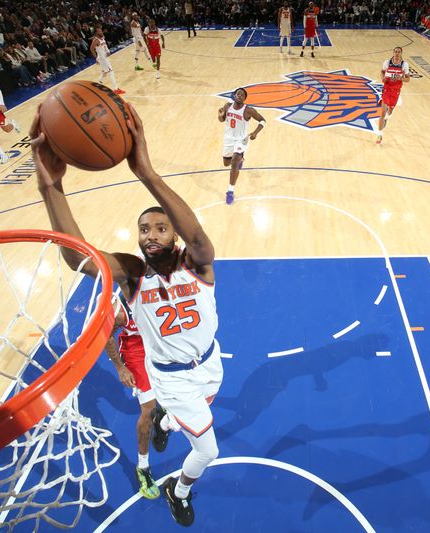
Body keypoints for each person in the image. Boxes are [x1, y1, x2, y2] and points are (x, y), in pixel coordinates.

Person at [32, 103, 222, 527]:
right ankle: (180, 488)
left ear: (174, 234)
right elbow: (79, 260)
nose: (150, 235)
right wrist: (51, 187)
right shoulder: (133, 275)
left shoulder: (199, 263)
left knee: (194, 412)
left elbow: (197, 236)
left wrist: (147, 172)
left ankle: (166, 419)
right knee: (208, 451)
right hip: (170, 377)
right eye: (143, 230)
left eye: (160, 228)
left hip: (210, 363)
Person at [103, 295, 161, 500]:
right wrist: (120, 368)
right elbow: (106, 336)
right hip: (138, 352)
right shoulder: (119, 311)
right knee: (149, 409)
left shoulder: (164, 287)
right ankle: (143, 467)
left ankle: (163, 424)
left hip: (162, 344)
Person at [218, 87, 266, 205]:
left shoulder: (249, 110)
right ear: (234, 95)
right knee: (226, 163)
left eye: (242, 95)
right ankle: (241, 159)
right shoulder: (227, 106)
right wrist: (220, 115)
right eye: (238, 94)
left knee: (234, 162)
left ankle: (230, 191)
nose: (239, 96)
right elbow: (222, 120)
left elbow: (262, 120)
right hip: (229, 139)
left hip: (241, 140)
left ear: (244, 99)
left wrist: (255, 133)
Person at [375, 46, 410, 145]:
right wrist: (382, 78)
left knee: (390, 110)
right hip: (387, 88)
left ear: (401, 53)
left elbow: (408, 79)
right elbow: (382, 72)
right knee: (382, 111)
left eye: (399, 52)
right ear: (393, 53)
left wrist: (400, 78)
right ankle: (379, 134)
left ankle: (387, 116)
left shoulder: (404, 65)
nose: (397, 53)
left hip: (396, 89)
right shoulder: (387, 63)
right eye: (395, 51)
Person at [90, 26, 125, 95]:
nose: (101, 32)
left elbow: (105, 46)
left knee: (104, 72)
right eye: (99, 31)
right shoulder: (96, 40)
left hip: (105, 57)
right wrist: (96, 58)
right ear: (96, 33)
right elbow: (91, 49)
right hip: (102, 59)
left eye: (101, 30)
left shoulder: (102, 37)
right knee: (111, 71)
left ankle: (98, 85)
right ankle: (116, 89)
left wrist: (108, 51)